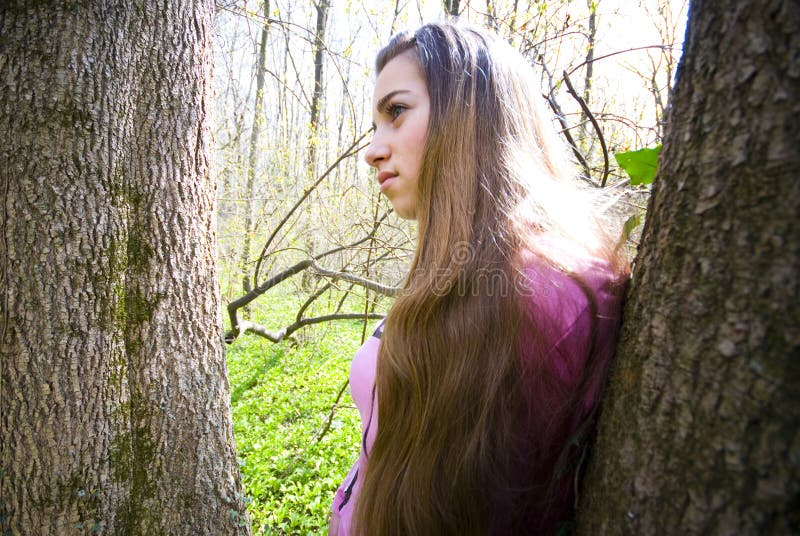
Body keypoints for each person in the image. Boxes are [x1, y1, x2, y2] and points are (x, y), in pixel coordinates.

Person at [329, 21, 629, 535]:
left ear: (469, 114)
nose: (373, 149)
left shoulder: (545, 290)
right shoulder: (470, 271)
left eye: (396, 112)